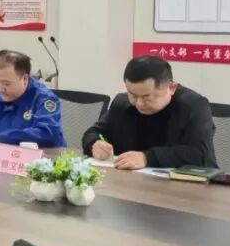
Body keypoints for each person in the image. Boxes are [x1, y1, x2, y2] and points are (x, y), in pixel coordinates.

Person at [83, 56, 216, 170]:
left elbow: (199, 153)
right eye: (133, 95)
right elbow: (92, 133)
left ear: (171, 88)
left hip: (187, 186)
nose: (139, 103)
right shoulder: (122, 104)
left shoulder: (193, 106)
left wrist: (147, 158)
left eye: (147, 97)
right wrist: (94, 144)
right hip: (132, 182)